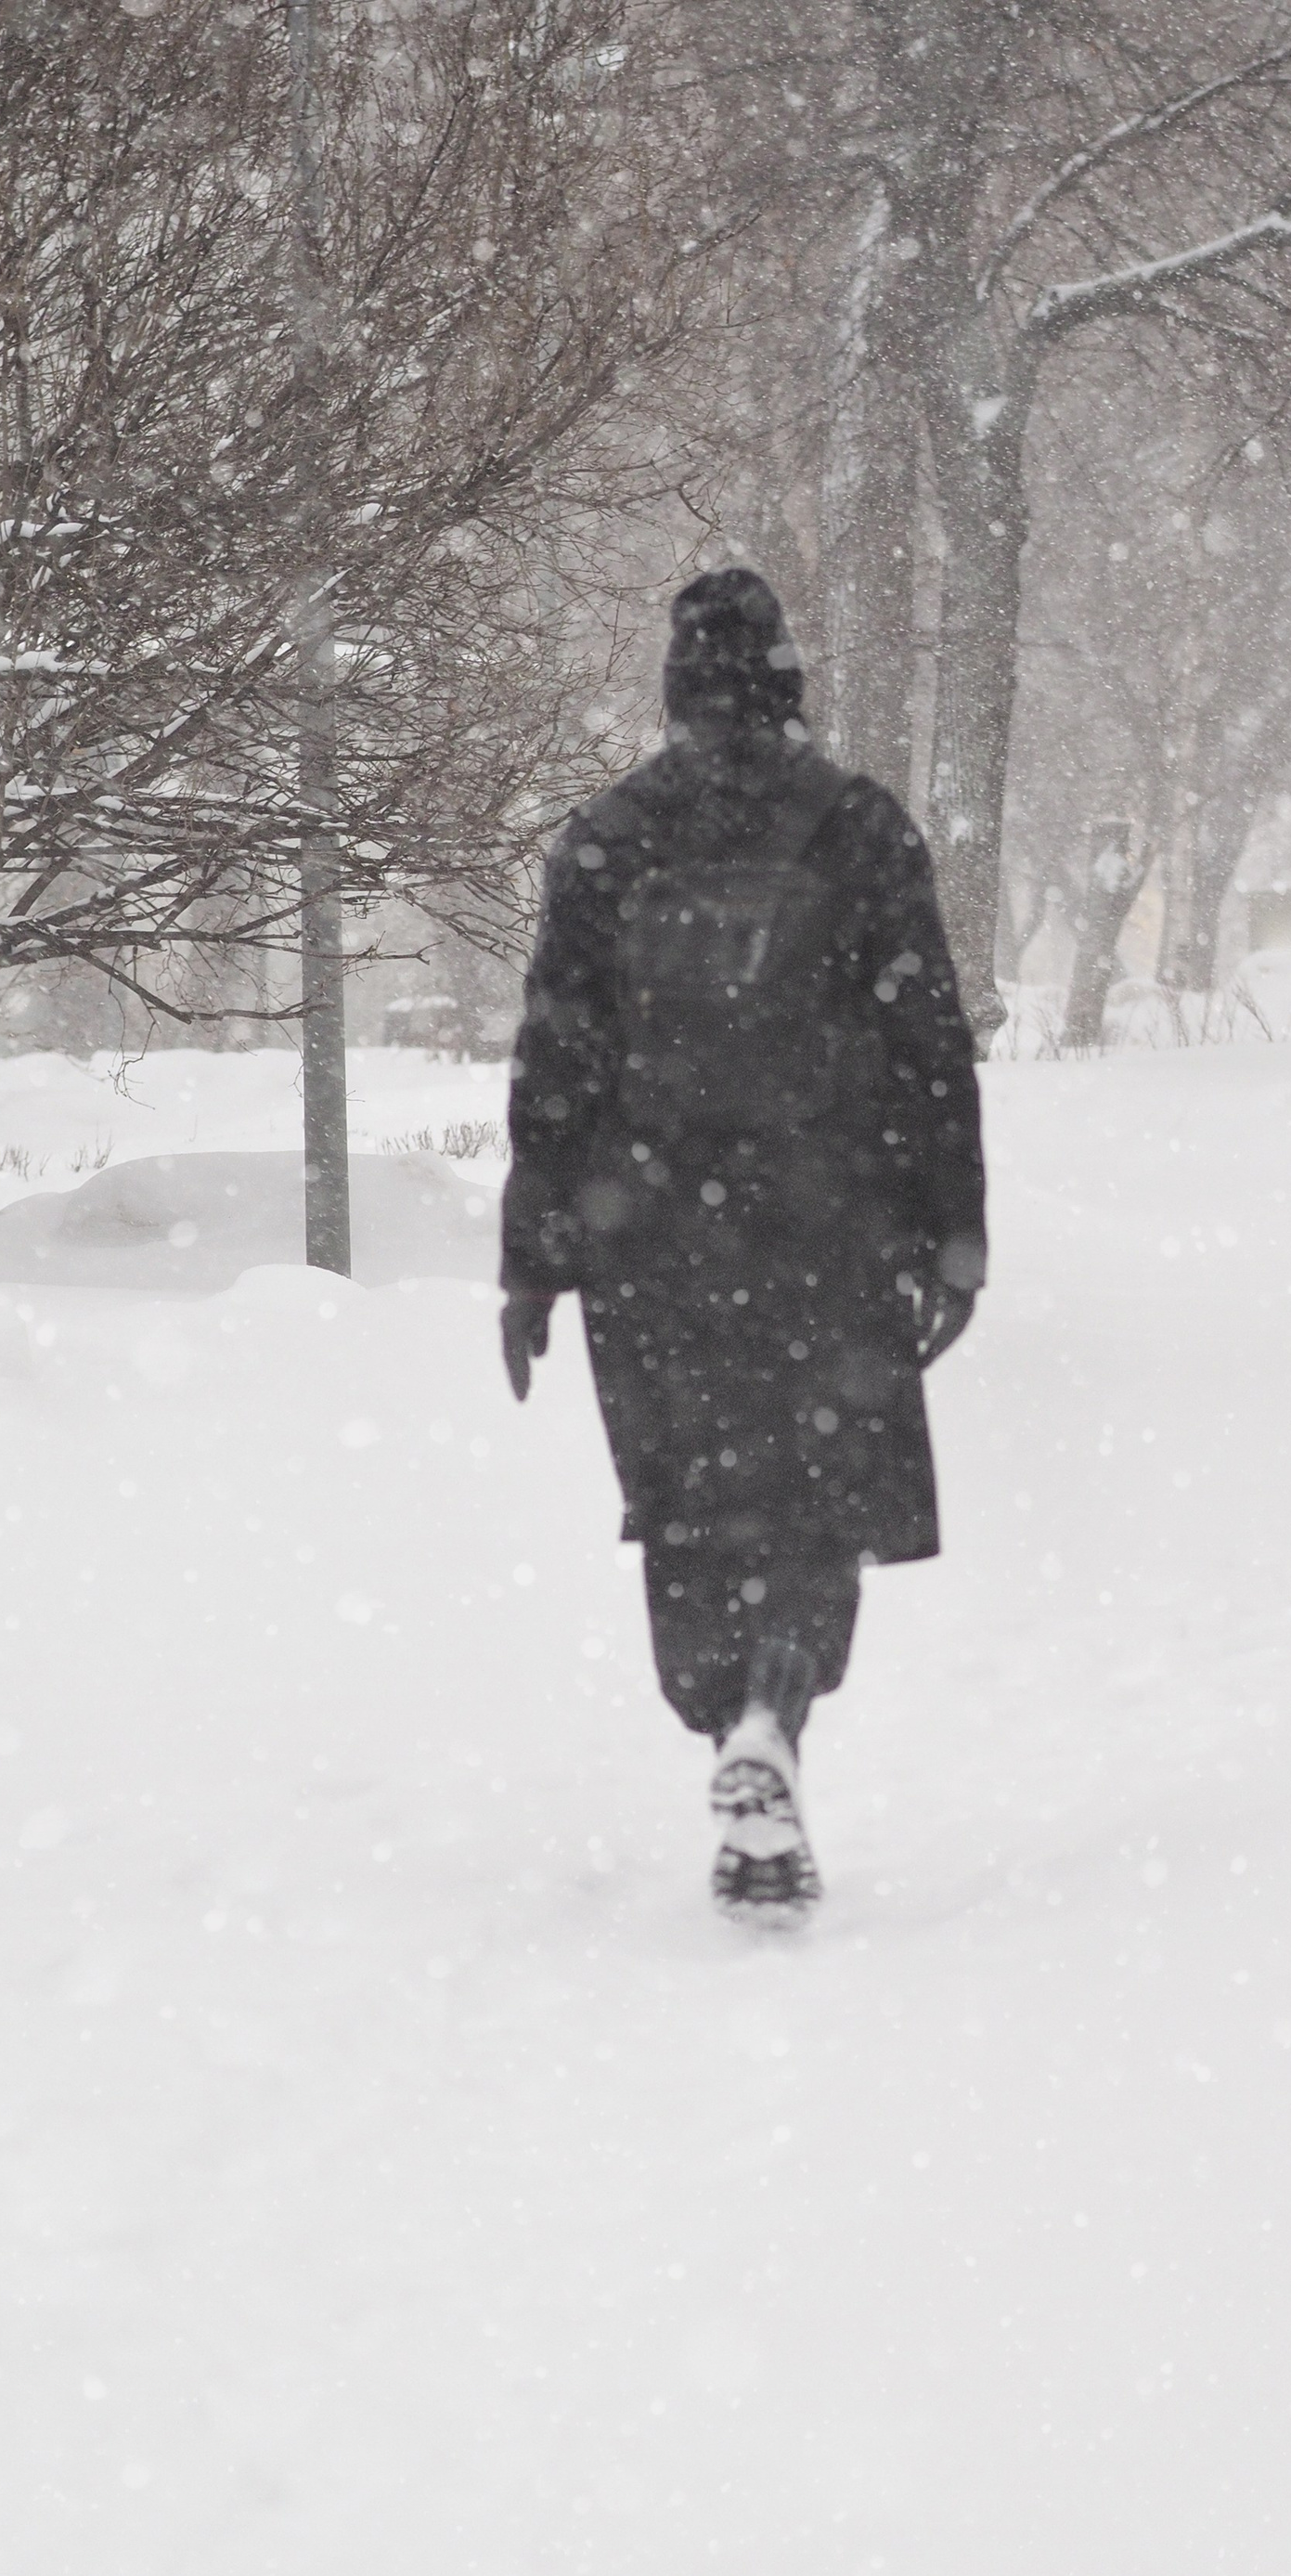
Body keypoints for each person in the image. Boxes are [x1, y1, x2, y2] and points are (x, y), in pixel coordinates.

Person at [498, 568, 987, 1922]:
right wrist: (955, 1233)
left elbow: (556, 1062)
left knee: (694, 1514)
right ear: (786, 682)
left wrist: (533, 1261)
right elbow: (928, 1048)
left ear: (674, 689)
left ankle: (733, 1733)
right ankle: (777, 1706)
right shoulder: (859, 831)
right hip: (831, 1231)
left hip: (650, 1239)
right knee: (816, 1509)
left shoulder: (608, 840)